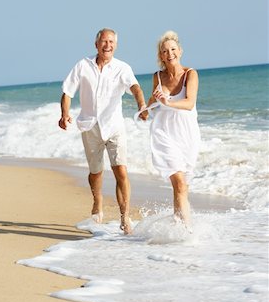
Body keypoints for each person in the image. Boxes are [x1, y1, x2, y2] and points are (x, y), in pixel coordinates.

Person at [58, 28, 147, 234]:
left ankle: (125, 217)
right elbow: (67, 91)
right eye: (104, 41)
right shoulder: (83, 65)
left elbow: (135, 87)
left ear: (116, 45)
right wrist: (64, 114)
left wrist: (141, 105)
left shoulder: (122, 67)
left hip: (114, 126)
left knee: (121, 171)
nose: (108, 45)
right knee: (96, 172)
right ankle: (97, 201)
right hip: (90, 126)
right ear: (96, 44)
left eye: (111, 42)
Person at [146, 30, 201, 228]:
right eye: (165, 51)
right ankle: (187, 231)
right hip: (164, 133)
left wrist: (167, 102)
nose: (170, 53)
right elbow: (152, 102)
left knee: (183, 185)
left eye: (173, 49)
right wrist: (153, 100)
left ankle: (179, 225)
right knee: (178, 181)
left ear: (180, 51)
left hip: (187, 134)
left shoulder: (190, 74)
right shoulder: (157, 77)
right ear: (160, 55)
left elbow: (189, 103)